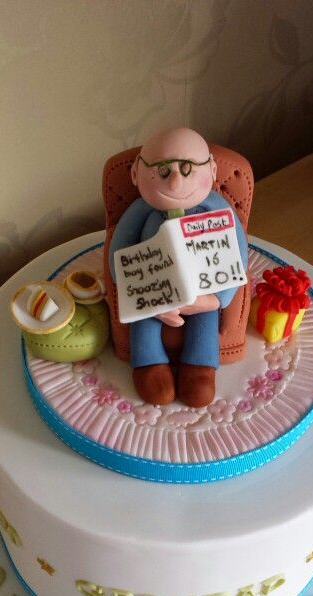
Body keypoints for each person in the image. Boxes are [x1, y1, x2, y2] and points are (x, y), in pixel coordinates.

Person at [109, 127, 248, 407]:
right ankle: (148, 365)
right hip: (152, 291)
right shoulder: (139, 212)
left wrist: (214, 299)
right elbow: (118, 254)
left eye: (186, 169)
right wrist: (148, 299)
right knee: (144, 322)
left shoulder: (217, 210)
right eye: (162, 171)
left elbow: (238, 254)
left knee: (205, 321)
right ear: (136, 173)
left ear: (211, 169)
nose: (174, 184)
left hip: (203, 292)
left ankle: (200, 369)